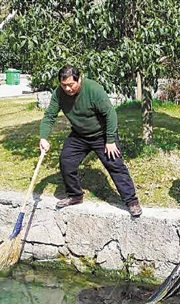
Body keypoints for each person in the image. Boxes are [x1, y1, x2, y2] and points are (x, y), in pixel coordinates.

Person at [38, 65, 142, 217]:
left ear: (79, 79)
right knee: (66, 161)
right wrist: (43, 137)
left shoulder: (93, 89)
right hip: (79, 135)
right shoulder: (59, 93)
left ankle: (131, 201)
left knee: (115, 164)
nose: (67, 88)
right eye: (64, 85)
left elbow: (110, 114)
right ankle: (75, 195)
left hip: (102, 135)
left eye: (71, 85)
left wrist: (110, 139)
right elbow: (49, 116)